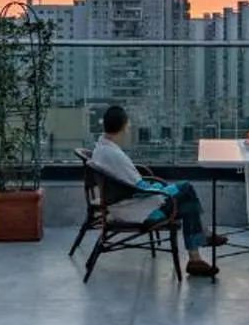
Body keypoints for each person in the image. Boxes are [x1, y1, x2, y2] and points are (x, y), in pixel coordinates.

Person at [87, 104, 227, 277]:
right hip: (133, 208)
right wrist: (161, 188)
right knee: (187, 188)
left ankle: (196, 257)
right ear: (123, 126)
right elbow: (139, 186)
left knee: (186, 202)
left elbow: (130, 182)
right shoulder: (114, 155)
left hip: (125, 202)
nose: (129, 127)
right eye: (128, 124)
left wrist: (159, 187)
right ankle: (200, 244)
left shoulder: (103, 148)